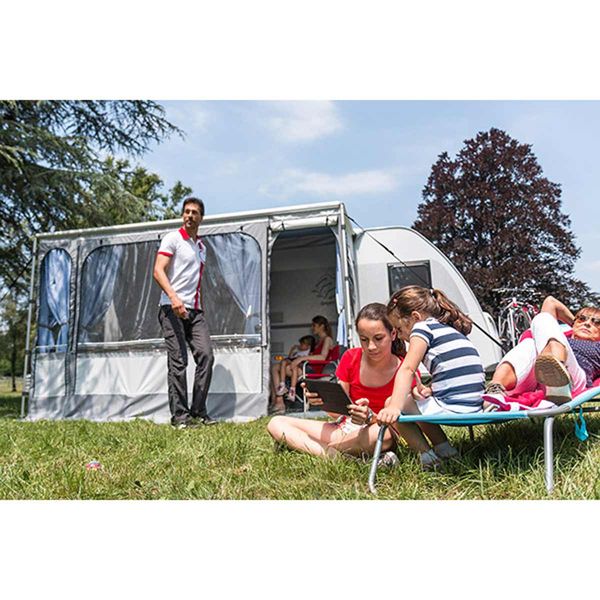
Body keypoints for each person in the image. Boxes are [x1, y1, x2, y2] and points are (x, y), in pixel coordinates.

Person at [267, 303, 427, 460]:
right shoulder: (351, 357)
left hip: (378, 431)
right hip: (345, 428)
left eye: (378, 338)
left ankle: (326, 450)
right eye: (364, 339)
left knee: (382, 434)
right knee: (276, 423)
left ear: (393, 334)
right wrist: (323, 402)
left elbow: (403, 418)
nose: (371, 346)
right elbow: (339, 412)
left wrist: (370, 417)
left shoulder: (406, 369)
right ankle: (337, 455)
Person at [377, 285, 484, 469]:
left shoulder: (422, 328)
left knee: (393, 403)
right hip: (475, 405)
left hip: (454, 408)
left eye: (399, 329)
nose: (399, 336)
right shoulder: (447, 329)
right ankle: (447, 452)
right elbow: (455, 371)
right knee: (417, 402)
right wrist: (431, 389)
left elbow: (407, 369)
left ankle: (428, 458)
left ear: (415, 317)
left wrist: (394, 406)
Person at [153, 197, 216, 429]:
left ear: (201, 218)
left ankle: (198, 411)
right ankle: (180, 417)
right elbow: (158, 271)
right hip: (171, 308)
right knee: (179, 361)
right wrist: (174, 298)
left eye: (194, 212)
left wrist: (192, 305)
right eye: (186, 212)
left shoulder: (202, 248)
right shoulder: (173, 238)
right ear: (183, 215)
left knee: (206, 356)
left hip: (194, 311)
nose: (190, 215)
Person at [484, 296, 600, 407]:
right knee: (529, 343)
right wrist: (575, 325)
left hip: (574, 379)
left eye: (597, 322)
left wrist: (578, 324)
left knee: (541, 321)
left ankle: (558, 372)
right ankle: (495, 390)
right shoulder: (557, 336)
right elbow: (550, 302)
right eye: (582, 318)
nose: (587, 323)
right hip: (539, 379)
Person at [269, 315, 334, 415]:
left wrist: (301, 358)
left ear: (321, 326)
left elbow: (322, 357)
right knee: (274, 368)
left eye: (314, 325)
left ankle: (279, 402)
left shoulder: (327, 339)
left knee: (281, 369)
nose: (312, 328)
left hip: (312, 369)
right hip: (307, 365)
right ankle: (276, 400)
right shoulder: (318, 341)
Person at [270, 335, 315, 407]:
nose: (300, 345)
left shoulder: (308, 353)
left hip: (297, 365)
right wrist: (292, 350)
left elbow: (304, 360)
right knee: (282, 363)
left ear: (308, 346)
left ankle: (291, 390)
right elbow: (290, 357)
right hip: (291, 362)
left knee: (292, 368)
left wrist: (300, 358)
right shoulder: (298, 351)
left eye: (302, 344)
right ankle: (282, 385)